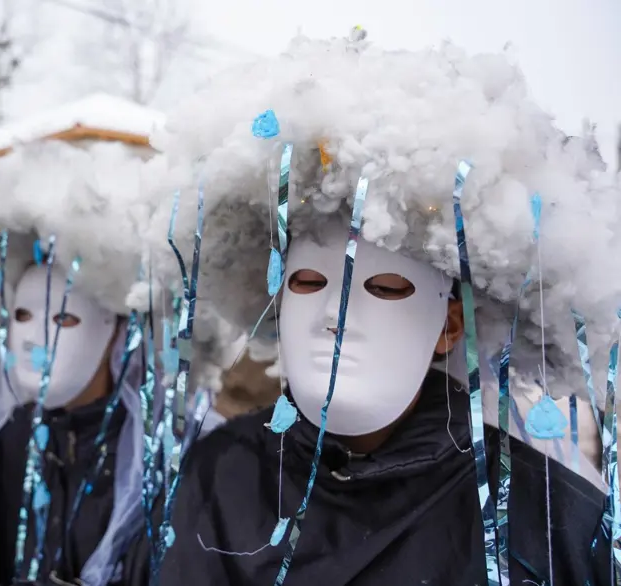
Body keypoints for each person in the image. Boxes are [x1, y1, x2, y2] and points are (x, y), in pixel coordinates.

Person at [142, 31, 619, 585]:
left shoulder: (548, 523)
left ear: (448, 325)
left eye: (387, 288)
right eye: (307, 280)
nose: (333, 314)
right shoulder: (216, 475)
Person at [0, 139, 162, 586]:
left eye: (64, 317)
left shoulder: (156, 464)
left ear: (117, 331)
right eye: (22, 315)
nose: (33, 339)